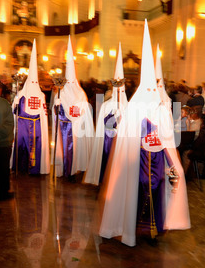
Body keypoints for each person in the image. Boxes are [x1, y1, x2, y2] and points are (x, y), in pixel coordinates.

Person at [98, 20, 190, 247]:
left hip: (157, 160)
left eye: (153, 89)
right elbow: (125, 135)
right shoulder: (134, 107)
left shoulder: (161, 107)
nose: (151, 93)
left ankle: (153, 230)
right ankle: (129, 228)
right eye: (147, 89)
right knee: (135, 193)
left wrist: (171, 160)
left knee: (158, 191)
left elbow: (169, 136)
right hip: (135, 160)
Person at [83, 43, 128, 185]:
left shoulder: (128, 106)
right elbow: (103, 125)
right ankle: (104, 181)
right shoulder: (106, 105)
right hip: (108, 141)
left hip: (121, 141)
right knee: (107, 161)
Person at [51, 36, 94, 181]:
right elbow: (55, 114)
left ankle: (75, 169)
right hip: (64, 128)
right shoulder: (61, 93)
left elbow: (85, 112)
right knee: (66, 151)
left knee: (75, 151)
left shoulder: (80, 93)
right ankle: (65, 170)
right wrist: (56, 107)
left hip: (76, 129)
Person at [12, 39, 50, 175]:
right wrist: (15, 101)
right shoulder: (21, 95)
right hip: (27, 125)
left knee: (34, 147)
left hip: (35, 125)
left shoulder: (40, 96)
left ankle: (33, 168)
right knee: (22, 146)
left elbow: (44, 113)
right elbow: (14, 111)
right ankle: (21, 167)